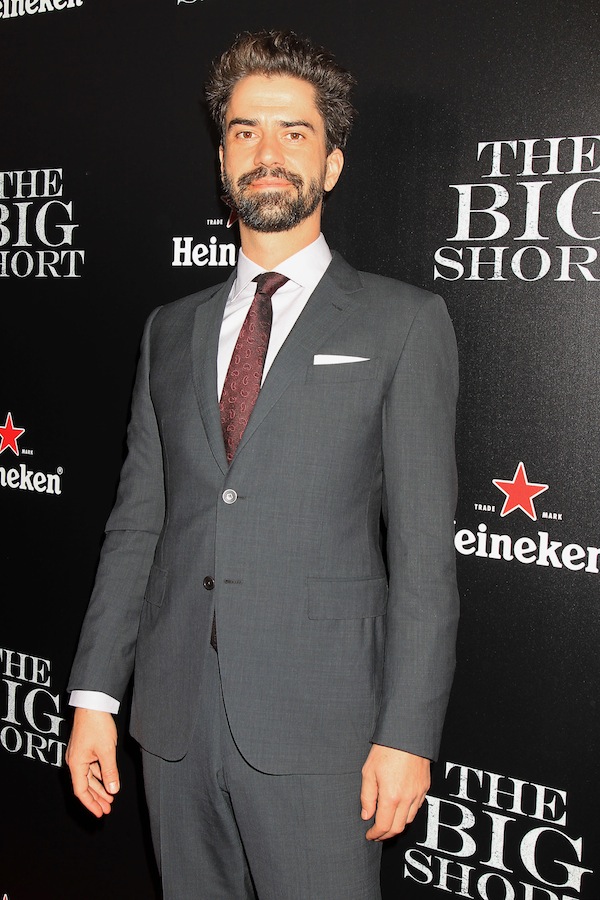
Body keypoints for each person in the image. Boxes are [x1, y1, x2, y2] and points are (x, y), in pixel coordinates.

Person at [66, 29, 459, 900]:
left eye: (294, 131)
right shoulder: (169, 330)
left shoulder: (403, 323)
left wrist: (408, 733)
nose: (267, 152)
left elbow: (425, 556)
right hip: (173, 723)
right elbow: (137, 526)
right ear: (222, 159)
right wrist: (95, 696)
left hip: (324, 729)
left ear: (332, 163)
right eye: (245, 131)